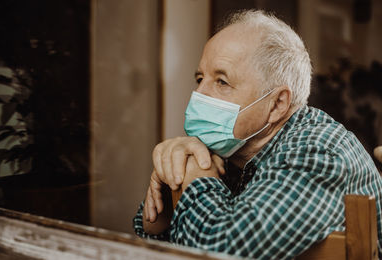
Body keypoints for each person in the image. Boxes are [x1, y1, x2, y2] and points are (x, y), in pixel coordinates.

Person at [133, 9, 382, 259]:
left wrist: (197, 178)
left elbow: (222, 251)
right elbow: (154, 243)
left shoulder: (319, 151)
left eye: (222, 82)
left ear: (277, 104)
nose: (199, 94)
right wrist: (166, 204)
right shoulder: (234, 147)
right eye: (200, 78)